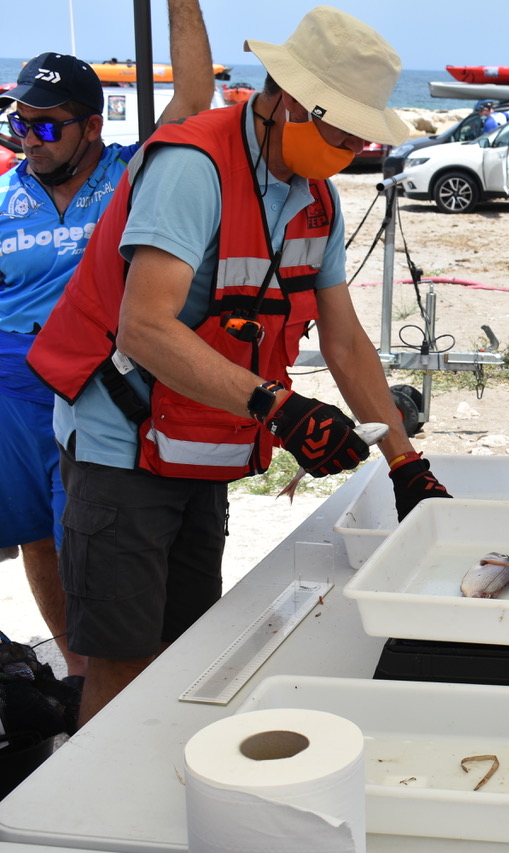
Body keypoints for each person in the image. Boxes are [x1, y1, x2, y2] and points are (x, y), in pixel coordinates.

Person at [27, 7, 452, 726]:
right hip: (122, 449)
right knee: (123, 662)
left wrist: (406, 463)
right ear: (286, 95)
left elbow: (345, 340)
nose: (348, 149)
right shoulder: (194, 168)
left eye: (359, 137)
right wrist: (282, 409)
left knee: (190, 644)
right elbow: (146, 324)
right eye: (337, 129)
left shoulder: (317, 198)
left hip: (203, 445)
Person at [0, 0, 215, 688]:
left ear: (94, 126)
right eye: (17, 122)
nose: (28, 137)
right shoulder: (5, 194)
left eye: (45, 124)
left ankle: (113, 669)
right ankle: (77, 667)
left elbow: (194, 94)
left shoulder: (132, 172)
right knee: (35, 528)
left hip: (90, 377)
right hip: (9, 380)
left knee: (84, 531)